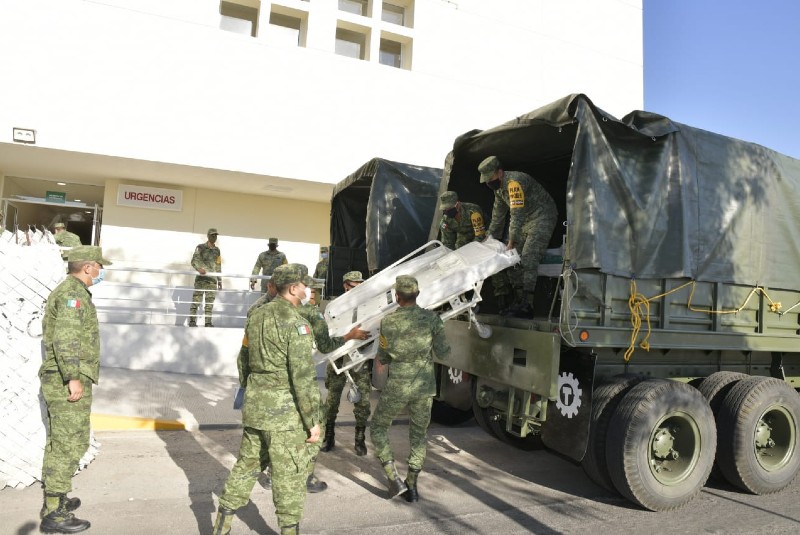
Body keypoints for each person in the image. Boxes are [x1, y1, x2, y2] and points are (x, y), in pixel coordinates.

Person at [214, 264, 321, 535]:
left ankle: (221, 527)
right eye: (304, 286)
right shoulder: (298, 324)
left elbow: (244, 360)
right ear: (294, 288)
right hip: (285, 416)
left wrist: (249, 392)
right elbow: (302, 377)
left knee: (246, 467)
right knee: (289, 477)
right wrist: (313, 422)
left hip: (256, 408)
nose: (307, 290)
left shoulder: (256, 316)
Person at [39, 245, 112, 534]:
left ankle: (56, 500)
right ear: (88, 267)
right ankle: (54, 515)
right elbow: (66, 339)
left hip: (66, 376)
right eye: (98, 266)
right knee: (68, 443)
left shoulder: (73, 291)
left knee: (65, 441)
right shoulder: (72, 295)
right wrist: (73, 377)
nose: (100, 271)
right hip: (66, 379)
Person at [369, 275, 451, 502]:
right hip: (424, 387)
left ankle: (392, 478)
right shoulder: (432, 319)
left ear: (397, 297)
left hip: (397, 386)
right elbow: (444, 352)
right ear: (418, 294)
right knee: (418, 435)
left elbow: (383, 357)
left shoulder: (388, 322)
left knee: (377, 427)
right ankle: (412, 485)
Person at [479, 155, 558, 317]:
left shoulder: (515, 182)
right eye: (486, 180)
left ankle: (527, 305)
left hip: (542, 216)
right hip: (525, 220)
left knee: (528, 256)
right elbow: (498, 217)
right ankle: (518, 300)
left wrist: (511, 241)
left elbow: (516, 215)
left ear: (500, 173)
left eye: (490, 178)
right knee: (511, 259)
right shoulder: (499, 189)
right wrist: (488, 238)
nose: (488, 183)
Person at [321, 270, 372, 456]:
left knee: (364, 403)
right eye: (353, 286)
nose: (357, 289)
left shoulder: (369, 304)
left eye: (360, 286)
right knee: (332, 401)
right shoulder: (334, 306)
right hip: (338, 358)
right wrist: (349, 336)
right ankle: (329, 436)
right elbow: (326, 333)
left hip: (359, 359)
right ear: (345, 285)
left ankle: (359, 439)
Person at [437, 191, 511, 312]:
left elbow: (480, 235)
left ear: (458, 205)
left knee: (493, 260)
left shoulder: (473, 211)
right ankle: (465, 296)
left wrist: (470, 253)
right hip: (464, 237)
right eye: (444, 209)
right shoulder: (446, 221)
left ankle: (502, 296)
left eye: (449, 208)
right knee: (458, 261)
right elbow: (447, 244)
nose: (446, 212)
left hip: (485, 236)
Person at [189, 228, 222, 327]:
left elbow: (218, 265)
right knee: (196, 301)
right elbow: (194, 260)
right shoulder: (200, 247)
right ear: (208, 236)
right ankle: (192, 321)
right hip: (201, 280)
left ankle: (208, 322)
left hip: (212, 281)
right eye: (212, 235)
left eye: (215, 235)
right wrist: (199, 269)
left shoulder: (217, 250)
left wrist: (220, 280)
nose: (214, 237)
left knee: (209, 303)